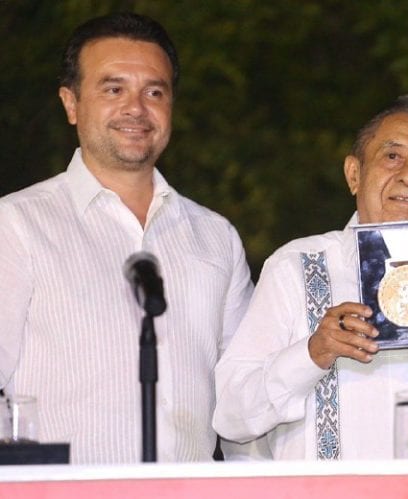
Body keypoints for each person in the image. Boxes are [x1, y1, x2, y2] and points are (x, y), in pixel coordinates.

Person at [0, 13, 253, 463]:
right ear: (71, 103)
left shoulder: (216, 238)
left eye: (154, 92)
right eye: (114, 89)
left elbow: (244, 400)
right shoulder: (17, 224)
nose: (136, 108)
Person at [213, 92, 408, 459]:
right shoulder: (295, 268)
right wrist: (313, 353)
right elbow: (231, 415)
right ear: (354, 174)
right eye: (392, 157)